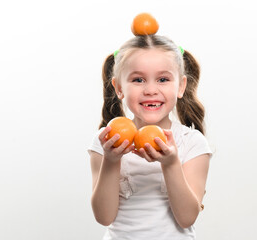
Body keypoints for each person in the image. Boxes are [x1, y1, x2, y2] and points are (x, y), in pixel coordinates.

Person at [87, 33, 213, 239]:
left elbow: (187, 218)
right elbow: (104, 217)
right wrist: (111, 160)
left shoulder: (192, 142)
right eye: (138, 80)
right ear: (119, 87)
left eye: (163, 79)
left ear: (181, 86)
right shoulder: (106, 140)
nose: (151, 90)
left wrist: (171, 163)